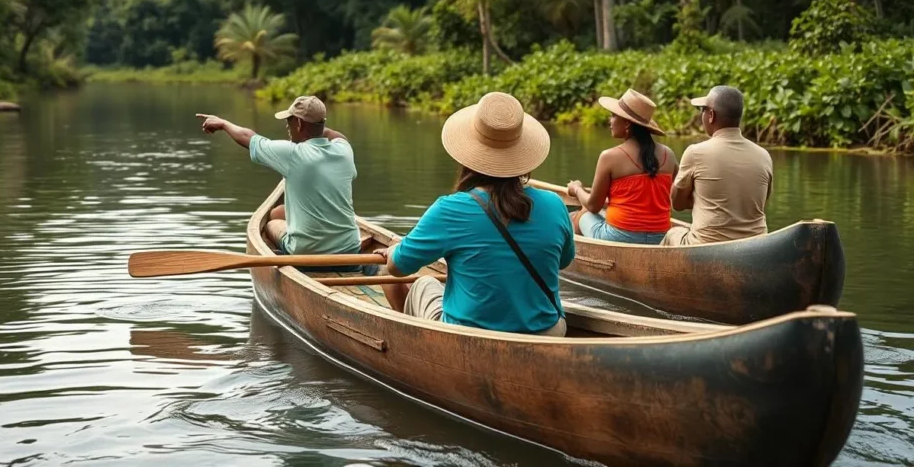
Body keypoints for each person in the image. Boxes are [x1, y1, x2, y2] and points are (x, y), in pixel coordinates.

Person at [375, 92, 574, 337]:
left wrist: (395, 248)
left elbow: (398, 267)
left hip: (472, 338)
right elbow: (564, 261)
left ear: (468, 156)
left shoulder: (450, 209)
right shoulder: (555, 204)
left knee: (417, 282)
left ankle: (414, 351)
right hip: (549, 333)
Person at [196, 95, 361, 261]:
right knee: (278, 212)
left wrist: (223, 123)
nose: (287, 126)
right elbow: (336, 136)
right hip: (350, 252)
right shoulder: (344, 151)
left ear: (298, 123)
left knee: (270, 223)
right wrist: (317, 126)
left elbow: (248, 137)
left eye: (289, 121)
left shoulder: (292, 154)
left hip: (306, 255)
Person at [662, 85, 773, 246]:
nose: (702, 115)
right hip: (756, 244)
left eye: (703, 110)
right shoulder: (764, 155)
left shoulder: (695, 153)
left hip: (706, 246)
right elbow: (761, 202)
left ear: (711, 115)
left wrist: (696, 197)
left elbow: (677, 204)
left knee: (673, 233)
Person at [567, 89, 678, 245]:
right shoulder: (670, 155)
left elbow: (593, 206)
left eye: (613, 116)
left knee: (580, 215)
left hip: (618, 237)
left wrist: (576, 189)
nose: (610, 121)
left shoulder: (609, 157)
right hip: (661, 237)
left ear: (627, 123)